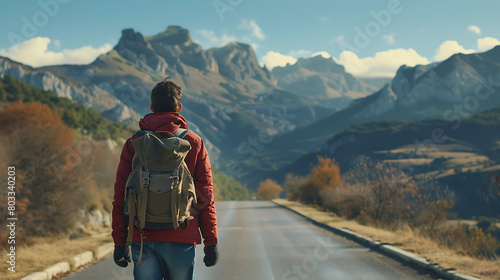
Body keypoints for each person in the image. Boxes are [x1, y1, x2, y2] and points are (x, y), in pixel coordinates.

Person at [111, 77, 219, 279]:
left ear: (151, 107)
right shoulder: (193, 143)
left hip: (142, 237)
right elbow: (205, 195)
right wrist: (211, 242)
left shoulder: (134, 143)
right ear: (179, 107)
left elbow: (120, 194)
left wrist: (120, 241)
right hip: (181, 236)